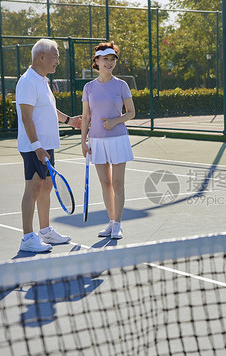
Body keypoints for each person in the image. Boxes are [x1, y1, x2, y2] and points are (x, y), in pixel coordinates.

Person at [16, 38, 80, 252]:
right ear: (41, 56)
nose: (58, 62)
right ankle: (27, 238)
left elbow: (49, 109)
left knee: (46, 186)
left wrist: (69, 121)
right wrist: (36, 146)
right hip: (34, 146)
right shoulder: (27, 82)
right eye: (56, 56)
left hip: (46, 144)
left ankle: (45, 232)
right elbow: (26, 117)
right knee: (32, 188)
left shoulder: (42, 80)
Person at [81, 41, 135, 239]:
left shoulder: (121, 85)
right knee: (106, 184)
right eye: (105, 59)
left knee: (118, 183)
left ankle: (118, 224)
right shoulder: (88, 87)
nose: (109, 63)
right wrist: (83, 142)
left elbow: (131, 112)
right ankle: (111, 222)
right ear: (96, 61)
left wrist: (114, 121)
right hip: (96, 141)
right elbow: (86, 117)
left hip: (118, 138)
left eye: (112, 59)